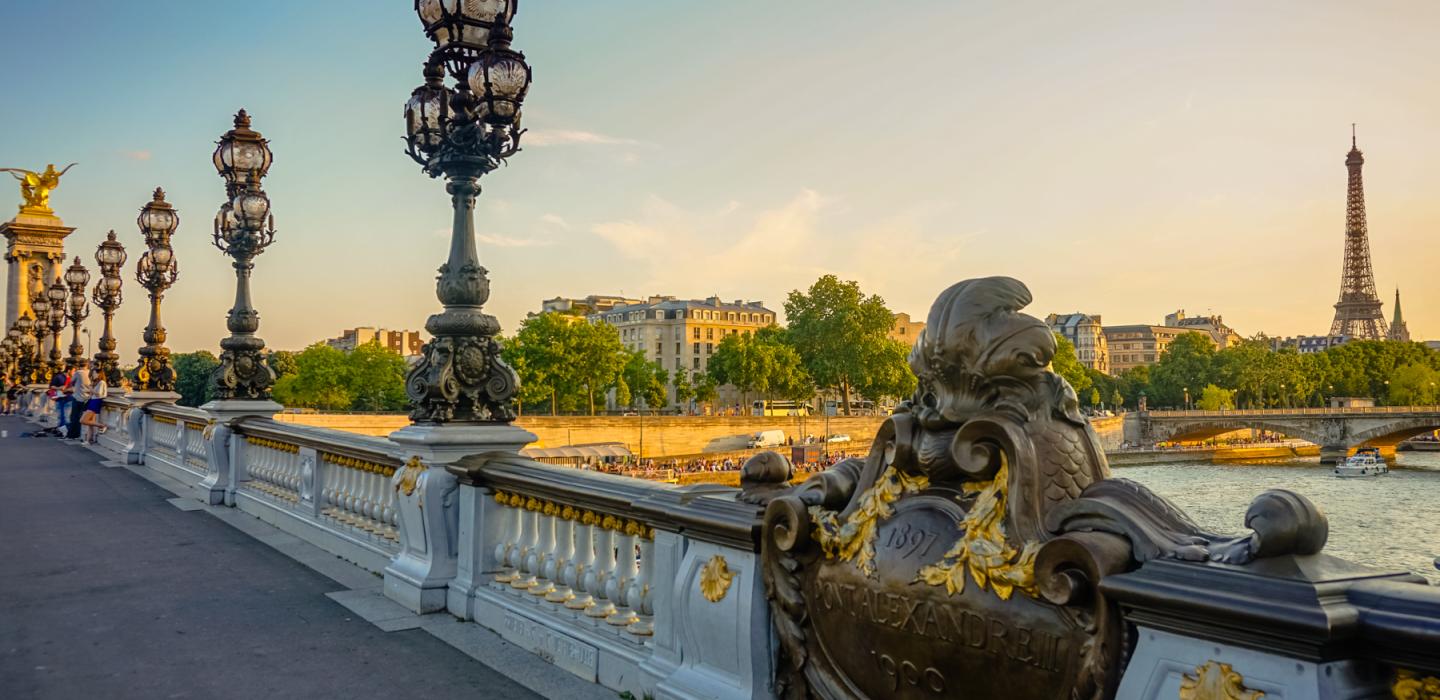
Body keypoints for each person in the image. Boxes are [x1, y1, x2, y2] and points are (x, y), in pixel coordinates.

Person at [79, 368, 107, 444]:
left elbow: (99, 394)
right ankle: (88, 440)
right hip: (92, 401)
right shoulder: (96, 382)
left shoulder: (102, 382)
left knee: (83, 420)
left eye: (94, 373)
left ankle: (102, 426)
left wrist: (90, 388)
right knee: (90, 422)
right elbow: (93, 394)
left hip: (96, 401)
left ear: (99, 374)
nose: (93, 375)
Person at [66, 360, 91, 441]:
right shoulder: (89, 373)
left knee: (74, 417)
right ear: (87, 365)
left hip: (77, 397)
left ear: (79, 366)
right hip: (87, 398)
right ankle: (81, 434)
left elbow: (72, 382)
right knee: (82, 418)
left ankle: (72, 435)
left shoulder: (78, 372)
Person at [48, 367, 71, 433]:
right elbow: (51, 386)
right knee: (60, 416)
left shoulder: (73, 378)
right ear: (69, 370)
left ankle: (65, 431)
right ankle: (61, 430)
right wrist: (59, 388)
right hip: (60, 398)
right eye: (73, 370)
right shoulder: (59, 377)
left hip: (69, 398)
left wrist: (68, 389)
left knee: (67, 416)